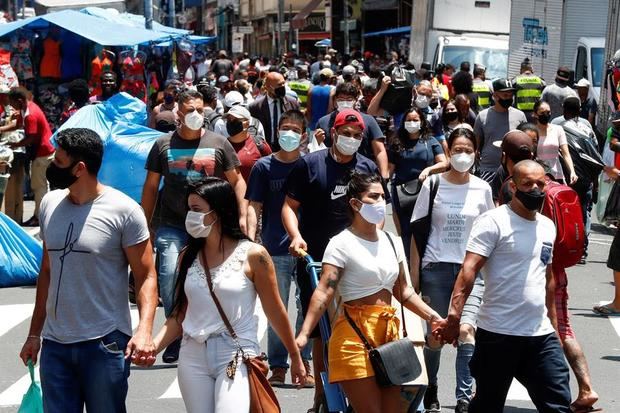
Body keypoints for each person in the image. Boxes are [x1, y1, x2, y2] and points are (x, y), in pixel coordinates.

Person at [18, 128, 159, 413]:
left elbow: (146, 276)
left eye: (58, 162)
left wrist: (144, 331)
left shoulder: (124, 211)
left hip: (105, 344)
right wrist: (35, 334)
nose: (52, 167)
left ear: (79, 168)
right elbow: (47, 272)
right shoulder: (49, 204)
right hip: (56, 345)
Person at [151, 177, 306, 412]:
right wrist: (151, 347)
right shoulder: (187, 256)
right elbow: (179, 316)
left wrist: (294, 357)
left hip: (235, 354)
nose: (190, 217)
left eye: (196, 210)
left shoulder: (254, 255)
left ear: (218, 212)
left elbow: (275, 310)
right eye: (189, 209)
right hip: (193, 356)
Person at [295, 171, 443, 413]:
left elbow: (404, 292)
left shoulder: (392, 241)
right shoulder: (340, 243)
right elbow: (324, 291)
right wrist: (303, 335)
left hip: (390, 336)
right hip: (353, 335)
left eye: (382, 196)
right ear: (355, 203)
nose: (380, 203)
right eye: (373, 196)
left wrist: (433, 317)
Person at [434, 160, 572, 413]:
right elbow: (469, 271)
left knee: (559, 404)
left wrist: (555, 328)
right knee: (487, 405)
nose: (535, 189)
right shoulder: (493, 222)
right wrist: (454, 317)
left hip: (539, 336)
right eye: (527, 183)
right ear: (513, 185)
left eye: (540, 183)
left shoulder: (547, 226)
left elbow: (548, 279)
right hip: (498, 335)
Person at [282, 109, 385, 411]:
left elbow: (378, 208)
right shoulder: (309, 165)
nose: (351, 139)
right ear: (333, 133)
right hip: (316, 259)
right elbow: (289, 206)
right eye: (346, 134)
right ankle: (321, 396)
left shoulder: (366, 168)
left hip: (358, 259)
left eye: (357, 136)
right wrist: (295, 235)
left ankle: (359, 388)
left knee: (358, 323)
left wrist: (375, 236)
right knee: (321, 329)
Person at [142, 89, 247, 363]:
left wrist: (241, 216)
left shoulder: (219, 143)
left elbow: (237, 182)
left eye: (200, 110)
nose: (196, 116)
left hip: (212, 225)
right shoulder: (162, 145)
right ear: (178, 113)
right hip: (172, 224)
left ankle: (213, 329)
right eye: (190, 111)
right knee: (167, 276)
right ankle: (175, 331)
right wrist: (145, 225)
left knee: (216, 280)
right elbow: (151, 187)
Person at [410, 127, 493, 413]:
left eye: (468, 150)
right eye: (457, 149)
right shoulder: (432, 185)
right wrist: (414, 277)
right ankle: (431, 387)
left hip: (471, 273)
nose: (462, 155)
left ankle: (463, 398)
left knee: (467, 331)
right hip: (436, 268)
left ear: (476, 154)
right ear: (448, 153)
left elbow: (490, 236)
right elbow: (417, 234)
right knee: (436, 336)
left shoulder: (483, 189)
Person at [245, 110, 314, 387]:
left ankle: (303, 359)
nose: (289, 134)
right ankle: (277, 364)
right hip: (274, 248)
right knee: (278, 307)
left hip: (308, 250)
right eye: (284, 128)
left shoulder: (310, 165)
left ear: (303, 136)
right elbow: (253, 206)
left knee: (307, 307)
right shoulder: (263, 167)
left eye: (294, 130)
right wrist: (250, 240)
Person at [388, 107, 448, 259]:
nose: (412, 123)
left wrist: (428, 170)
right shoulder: (396, 142)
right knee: (405, 232)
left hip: (425, 191)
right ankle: (407, 265)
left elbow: (444, 163)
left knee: (426, 228)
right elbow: (389, 169)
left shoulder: (430, 141)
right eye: (409, 120)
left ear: (422, 122)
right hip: (402, 193)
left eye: (415, 120)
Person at [314, 82, 389, 178]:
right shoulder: (323, 122)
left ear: (356, 101)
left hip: (360, 173)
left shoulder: (369, 121)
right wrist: (317, 142)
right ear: (335, 101)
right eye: (341, 100)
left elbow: (379, 150)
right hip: (330, 173)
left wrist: (384, 175)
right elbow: (315, 149)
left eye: (349, 100)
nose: (345, 103)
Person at [8, 86, 55, 227]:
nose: (12, 106)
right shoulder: (28, 107)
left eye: (13, 103)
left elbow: (32, 138)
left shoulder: (31, 114)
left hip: (42, 153)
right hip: (45, 150)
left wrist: (15, 145)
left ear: (20, 101)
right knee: (42, 186)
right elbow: (19, 125)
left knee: (38, 187)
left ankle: (39, 217)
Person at [474, 78, 527, 183]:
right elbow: (476, 145)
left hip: (513, 170)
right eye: (505, 95)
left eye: (511, 95)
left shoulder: (520, 116)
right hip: (488, 169)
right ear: (495, 96)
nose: (509, 98)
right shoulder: (482, 116)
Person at [249, 72, 300, 151]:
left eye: (284, 84)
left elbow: (300, 128)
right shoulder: (255, 107)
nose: (283, 87)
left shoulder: (292, 103)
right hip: (266, 150)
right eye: (279, 85)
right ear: (269, 87)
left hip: (288, 148)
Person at [533, 100, 577, 184]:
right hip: (538, 176)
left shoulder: (558, 129)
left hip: (557, 175)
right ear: (535, 114)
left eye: (548, 112)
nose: (546, 115)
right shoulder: (532, 131)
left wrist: (572, 171)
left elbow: (566, 154)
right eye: (542, 112)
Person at [224, 105, 271, 181]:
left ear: (247, 123)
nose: (231, 122)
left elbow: (271, 171)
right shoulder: (221, 146)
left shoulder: (259, 145)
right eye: (229, 119)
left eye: (235, 119)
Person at [0, 84, 25, 223]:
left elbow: (17, 125)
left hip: (16, 151)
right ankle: (13, 219)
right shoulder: (6, 109)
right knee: (11, 188)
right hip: (8, 151)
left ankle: (14, 219)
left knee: (14, 188)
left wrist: (2, 128)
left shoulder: (14, 109)